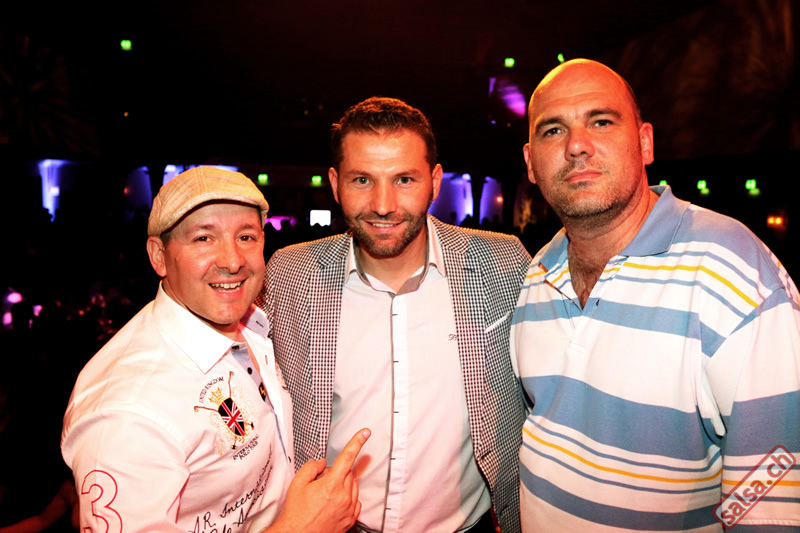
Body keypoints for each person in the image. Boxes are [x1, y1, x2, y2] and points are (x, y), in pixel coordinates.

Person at [512, 58, 800, 530]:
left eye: (601, 122)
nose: (576, 145)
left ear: (645, 143)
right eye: (553, 130)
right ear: (530, 163)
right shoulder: (537, 271)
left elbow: (776, 483)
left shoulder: (732, 269)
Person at [259, 97, 532, 532]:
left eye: (404, 179)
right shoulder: (291, 273)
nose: (383, 204)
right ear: (335, 184)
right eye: (362, 180)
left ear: (434, 181)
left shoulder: (501, 263)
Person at [61, 166, 370, 532]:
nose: (232, 260)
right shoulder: (126, 412)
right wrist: (303, 526)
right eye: (204, 238)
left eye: (246, 237)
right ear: (159, 255)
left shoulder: (253, 326)